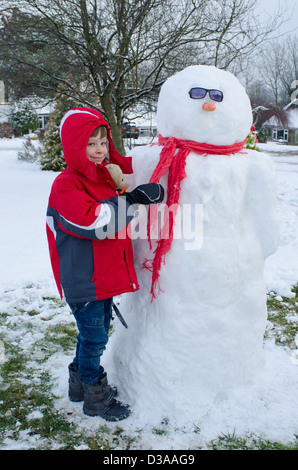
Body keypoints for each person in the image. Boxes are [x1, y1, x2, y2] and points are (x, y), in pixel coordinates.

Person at [46, 107, 164, 421]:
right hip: (84, 280)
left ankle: (78, 385)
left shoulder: (101, 178)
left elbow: (129, 169)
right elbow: (96, 223)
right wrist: (133, 199)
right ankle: (96, 398)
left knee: (90, 335)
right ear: (74, 147)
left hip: (100, 277)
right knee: (96, 337)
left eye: (102, 142)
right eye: (90, 144)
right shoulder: (66, 185)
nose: (99, 151)